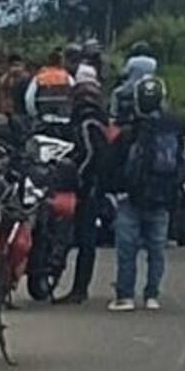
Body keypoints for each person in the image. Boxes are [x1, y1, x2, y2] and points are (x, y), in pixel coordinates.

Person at [109, 75, 185, 312]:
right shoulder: (176, 125)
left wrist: (113, 190)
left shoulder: (129, 130)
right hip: (163, 194)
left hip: (131, 196)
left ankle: (125, 296)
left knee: (127, 249)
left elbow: (113, 163)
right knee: (157, 249)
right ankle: (152, 295)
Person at [60, 80, 112, 303]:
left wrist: (77, 177)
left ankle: (79, 289)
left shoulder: (85, 123)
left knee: (84, 238)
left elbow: (88, 156)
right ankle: (79, 287)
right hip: (96, 186)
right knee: (84, 239)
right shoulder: (99, 122)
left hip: (86, 188)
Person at [111, 41, 159, 122]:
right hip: (147, 89)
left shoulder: (132, 61)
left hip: (131, 88)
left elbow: (125, 73)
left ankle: (113, 115)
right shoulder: (153, 62)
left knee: (115, 93)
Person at [25, 47, 75, 124]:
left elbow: (29, 99)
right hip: (65, 120)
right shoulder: (67, 77)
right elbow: (75, 96)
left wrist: (34, 115)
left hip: (44, 119)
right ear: (61, 62)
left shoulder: (39, 78)